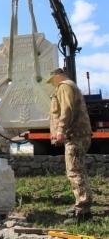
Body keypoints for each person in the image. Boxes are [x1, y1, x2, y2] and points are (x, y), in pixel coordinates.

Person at [47, 68, 93, 223]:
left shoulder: (64, 86)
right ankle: (81, 204)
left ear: (57, 76)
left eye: (52, 80)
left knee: (75, 172)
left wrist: (60, 129)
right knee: (78, 170)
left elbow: (67, 109)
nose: (52, 84)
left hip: (75, 135)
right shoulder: (70, 86)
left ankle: (83, 212)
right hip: (78, 134)